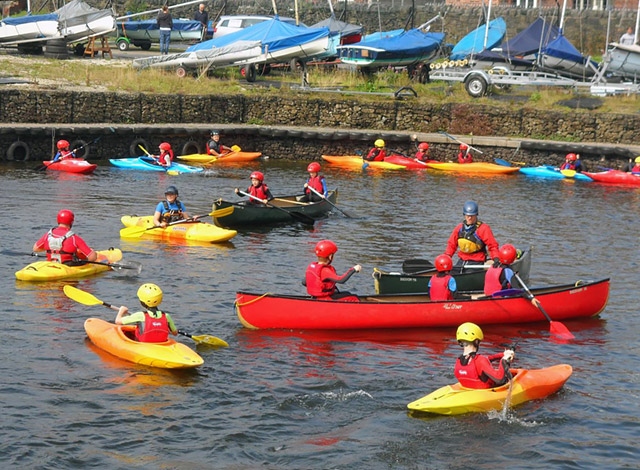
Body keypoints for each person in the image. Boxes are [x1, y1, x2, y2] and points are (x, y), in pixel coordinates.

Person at [454, 322, 514, 389]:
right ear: (476, 341)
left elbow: (484, 360)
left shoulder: (458, 361)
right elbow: (499, 379)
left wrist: (503, 354)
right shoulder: (480, 361)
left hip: (469, 390)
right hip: (486, 393)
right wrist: (504, 361)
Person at [445, 200, 500, 267]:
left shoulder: (483, 229)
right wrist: (447, 256)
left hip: (477, 262)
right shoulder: (459, 228)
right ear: (464, 215)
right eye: (468, 215)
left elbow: (493, 245)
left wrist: (496, 258)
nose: (470, 218)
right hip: (462, 260)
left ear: (476, 215)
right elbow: (451, 245)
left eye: (472, 215)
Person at [33, 209, 97, 264]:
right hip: (67, 266)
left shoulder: (48, 235)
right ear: (71, 222)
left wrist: (53, 248)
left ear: (58, 220)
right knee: (91, 252)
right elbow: (92, 257)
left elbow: (35, 249)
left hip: (50, 264)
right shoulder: (73, 238)